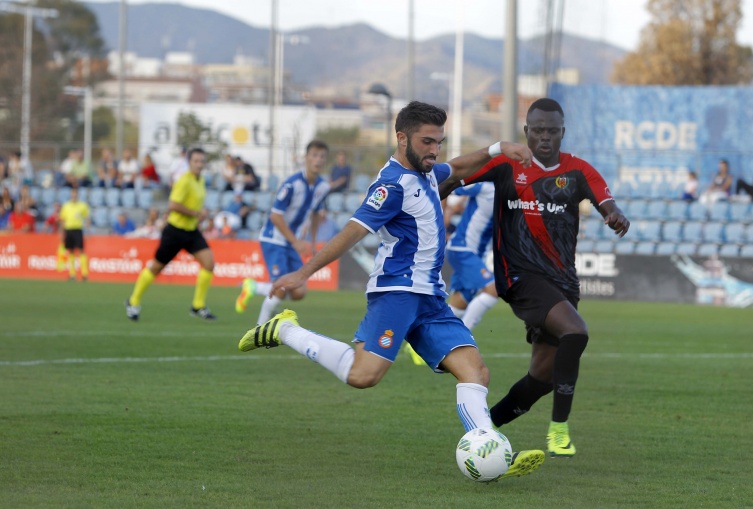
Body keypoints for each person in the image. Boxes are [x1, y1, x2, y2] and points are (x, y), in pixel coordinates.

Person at [234, 101, 544, 480]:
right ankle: (285, 329)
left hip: (431, 298)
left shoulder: (427, 172)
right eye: (427, 141)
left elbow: (461, 167)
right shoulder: (391, 185)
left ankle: (492, 453)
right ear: (402, 138)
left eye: (439, 142)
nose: (434, 150)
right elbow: (352, 231)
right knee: (363, 376)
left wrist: (498, 149)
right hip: (396, 292)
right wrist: (304, 272)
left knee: (475, 372)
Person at [439, 97, 630, 459]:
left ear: (562, 132)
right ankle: (559, 430)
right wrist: (436, 194)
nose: (545, 137)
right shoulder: (506, 165)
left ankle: (484, 431)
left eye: (552, 131)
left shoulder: (577, 170)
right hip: (519, 276)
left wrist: (615, 214)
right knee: (576, 331)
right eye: (538, 130)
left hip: (562, 284)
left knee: (542, 379)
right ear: (526, 132)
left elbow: (607, 201)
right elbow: (455, 177)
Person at [235, 140, 331, 324]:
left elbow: (316, 214)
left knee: (299, 291)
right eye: (314, 155)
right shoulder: (291, 185)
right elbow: (275, 216)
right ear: (306, 158)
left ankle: (254, 287)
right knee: (281, 287)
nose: (318, 160)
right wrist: (296, 242)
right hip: (274, 239)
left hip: (292, 242)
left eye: (322, 157)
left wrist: (311, 243)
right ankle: (260, 328)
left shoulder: (323, 187)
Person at [125, 147, 217, 322]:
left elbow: (194, 205)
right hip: (174, 231)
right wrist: (196, 213)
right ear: (189, 162)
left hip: (191, 231)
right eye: (196, 161)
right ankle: (133, 300)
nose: (199, 164)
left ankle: (198, 306)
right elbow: (173, 205)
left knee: (209, 263)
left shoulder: (201, 180)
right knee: (156, 268)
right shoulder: (184, 180)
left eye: (202, 161)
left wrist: (200, 213)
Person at [444, 182, 498, 330]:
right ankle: (462, 339)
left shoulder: (514, 192)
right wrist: (442, 220)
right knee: (493, 290)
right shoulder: (485, 186)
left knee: (460, 302)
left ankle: (423, 342)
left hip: (477, 253)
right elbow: (444, 185)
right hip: (462, 247)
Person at [59, 186, 91, 281]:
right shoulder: (66, 205)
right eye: (73, 193)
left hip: (78, 229)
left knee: (81, 251)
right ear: (70, 195)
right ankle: (72, 274)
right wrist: (62, 232)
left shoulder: (82, 205)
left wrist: (88, 231)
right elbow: (62, 220)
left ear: (78, 195)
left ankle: (85, 274)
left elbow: (87, 218)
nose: (74, 195)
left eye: (75, 194)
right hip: (68, 230)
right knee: (70, 251)